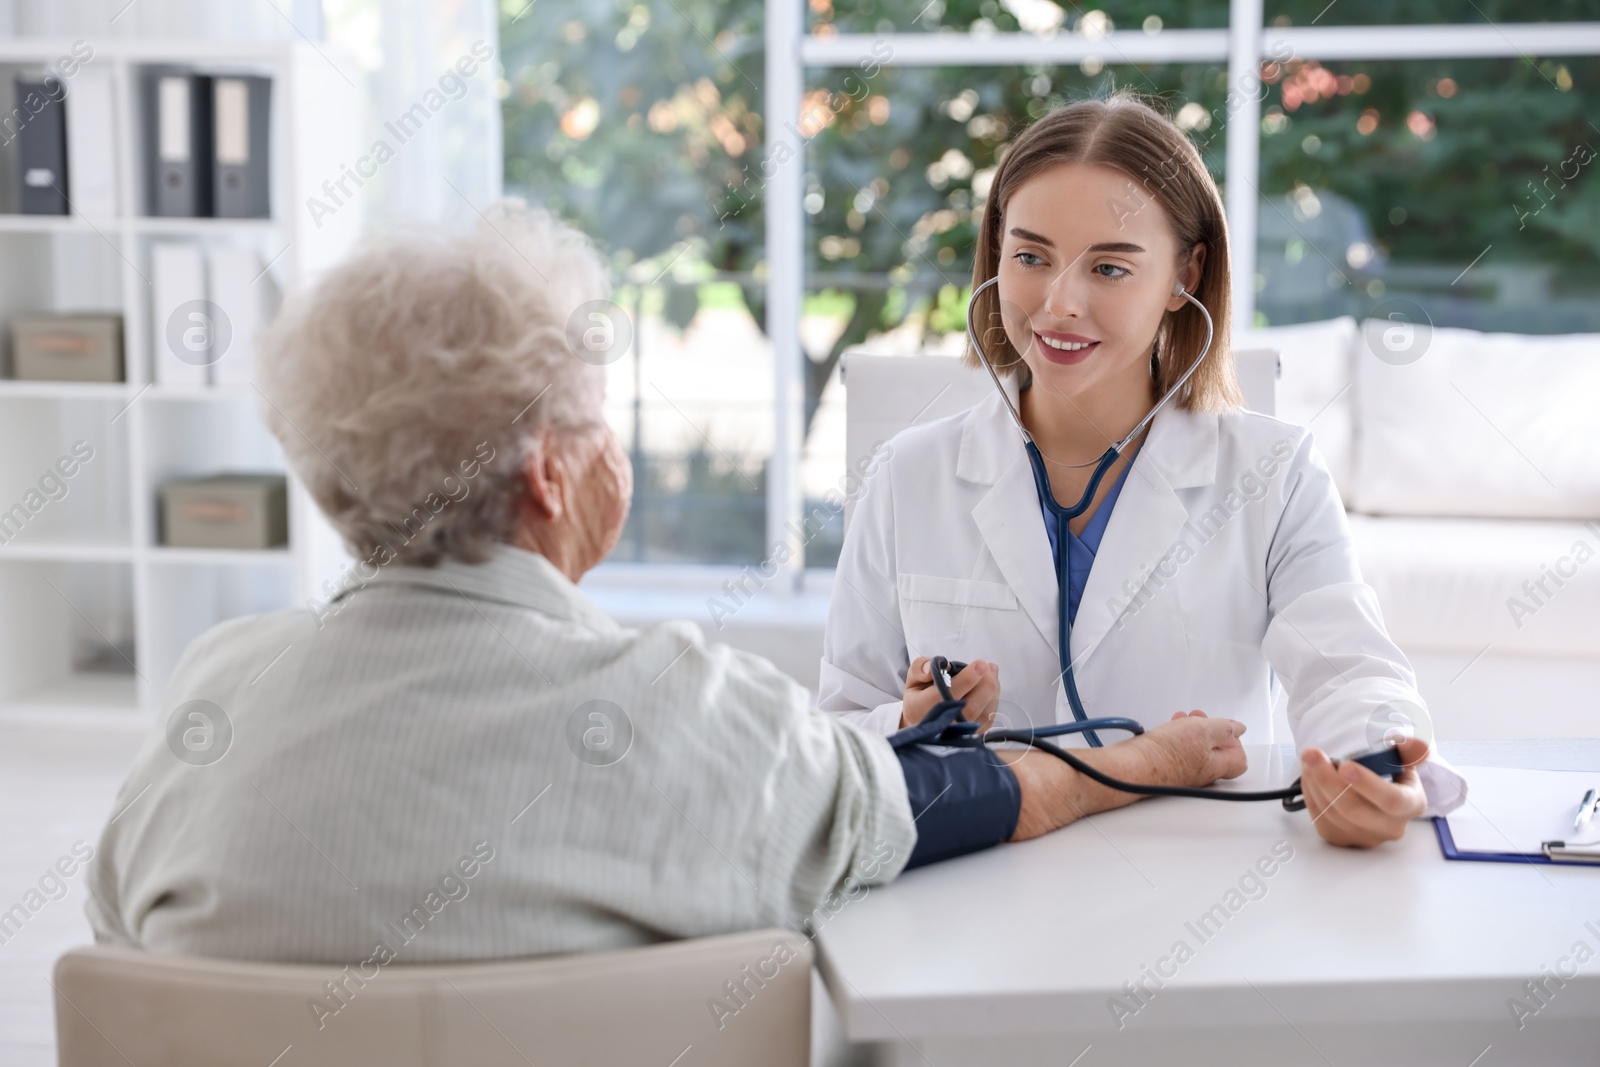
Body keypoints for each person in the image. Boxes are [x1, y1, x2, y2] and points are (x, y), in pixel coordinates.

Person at [84, 201, 1248, 964]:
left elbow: (115, 934)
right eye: (598, 420)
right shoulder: (682, 710)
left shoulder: (210, 695)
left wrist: (903, 729)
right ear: (548, 471)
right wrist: (1142, 762)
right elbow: (948, 809)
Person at [819, 90, 1467, 848]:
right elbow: (832, 729)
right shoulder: (906, 476)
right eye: (1030, 256)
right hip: (966, 893)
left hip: (1191, 888)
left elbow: (1349, 671)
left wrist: (1371, 764)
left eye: (1110, 267)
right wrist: (904, 722)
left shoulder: (1274, 472)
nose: (1059, 303)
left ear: (1185, 273)